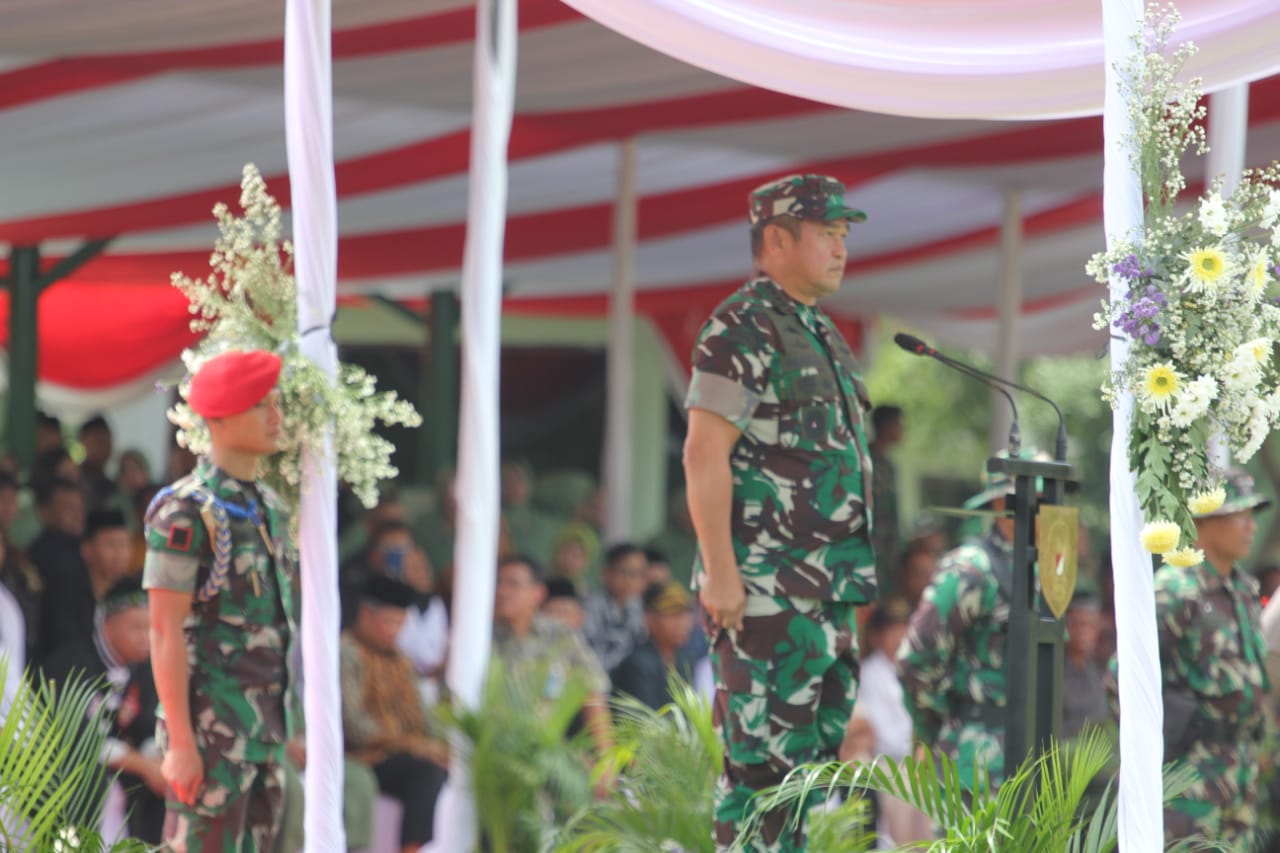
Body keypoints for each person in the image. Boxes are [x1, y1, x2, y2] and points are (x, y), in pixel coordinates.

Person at [683, 173, 875, 850]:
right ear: (776, 239)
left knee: (803, 779)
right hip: (765, 591)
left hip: (824, 591)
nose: (841, 248)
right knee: (761, 774)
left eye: (844, 234)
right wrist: (721, 572)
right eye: (827, 232)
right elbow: (704, 454)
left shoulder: (819, 331)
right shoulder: (741, 326)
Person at [143, 349, 299, 851]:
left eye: (277, 404)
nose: (276, 417)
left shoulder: (269, 509)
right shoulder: (186, 512)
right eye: (261, 406)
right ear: (221, 419)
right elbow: (164, 630)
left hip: (265, 733)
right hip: (212, 736)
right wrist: (182, 744)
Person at [1156, 469, 1269, 848]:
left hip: (1239, 766)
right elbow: (1124, 679)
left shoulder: (1244, 590)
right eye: (1241, 515)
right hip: (1190, 770)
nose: (1251, 527)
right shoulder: (1176, 589)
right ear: (1206, 519)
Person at [897, 464, 1020, 789]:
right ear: (1000, 504)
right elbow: (915, 659)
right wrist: (939, 725)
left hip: (1030, 757)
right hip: (973, 761)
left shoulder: (1044, 569)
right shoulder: (971, 568)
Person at [41, 577, 165, 843]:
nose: (146, 638)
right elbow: (81, 741)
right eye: (138, 627)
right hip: (64, 781)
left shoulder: (140, 668)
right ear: (108, 620)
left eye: (151, 629)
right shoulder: (74, 661)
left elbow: (145, 726)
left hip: (119, 786)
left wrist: (157, 762)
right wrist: (143, 766)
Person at [341, 574, 448, 853]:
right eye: (389, 622)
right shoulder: (346, 652)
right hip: (361, 755)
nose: (395, 631)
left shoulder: (401, 660)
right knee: (426, 772)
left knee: (443, 766)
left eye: (400, 623)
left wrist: (437, 744)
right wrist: (409, 744)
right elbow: (353, 723)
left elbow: (424, 716)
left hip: (402, 753)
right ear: (365, 615)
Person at [492, 556, 611, 756]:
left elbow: (593, 692)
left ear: (538, 593)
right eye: (499, 583)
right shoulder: (479, 637)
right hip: (490, 751)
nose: (503, 591)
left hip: (548, 752)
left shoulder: (560, 635)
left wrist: (606, 760)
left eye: (514, 584)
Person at [36, 508, 133, 667]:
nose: (120, 553)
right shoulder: (63, 595)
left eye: (125, 544)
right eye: (111, 545)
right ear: (87, 550)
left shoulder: (131, 592)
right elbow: (64, 647)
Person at [610, 581, 698, 709]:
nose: (683, 623)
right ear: (649, 618)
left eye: (686, 615)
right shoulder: (638, 664)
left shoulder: (686, 660)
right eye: (674, 615)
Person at [582, 542, 649, 672]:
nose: (632, 580)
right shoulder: (591, 606)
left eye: (639, 574)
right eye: (625, 572)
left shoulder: (638, 607)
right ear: (606, 574)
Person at [1061, 586, 1109, 740]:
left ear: (1097, 629)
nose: (1082, 631)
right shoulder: (1056, 671)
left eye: (1089, 625)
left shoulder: (1101, 671)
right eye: (1077, 624)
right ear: (1067, 627)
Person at [868, 405, 904, 598]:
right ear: (885, 426)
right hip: (871, 549)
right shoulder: (865, 461)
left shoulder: (888, 466)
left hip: (888, 551)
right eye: (899, 424)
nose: (902, 430)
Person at [79, 414, 116, 513]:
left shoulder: (114, 485)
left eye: (108, 440)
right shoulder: (76, 480)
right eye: (98, 442)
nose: (105, 447)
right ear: (84, 442)